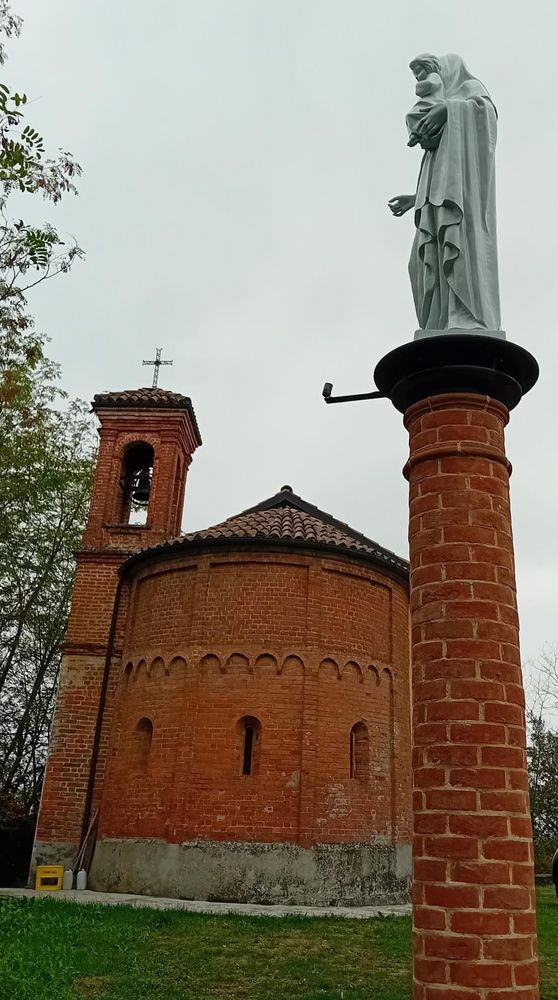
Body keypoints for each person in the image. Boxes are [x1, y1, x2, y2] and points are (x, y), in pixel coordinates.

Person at [388, 53, 501, 332]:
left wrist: (449, 110)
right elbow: (438, 172)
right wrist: (415, 199)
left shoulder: (469, 92)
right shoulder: (438, 137)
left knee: (457, 248)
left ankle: (464, 318)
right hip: (432, 202)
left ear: (447, 71)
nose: (424, 79)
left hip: (460, 204)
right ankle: (438, 321)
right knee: (419, 264)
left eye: (427, 72)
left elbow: (486, 115)